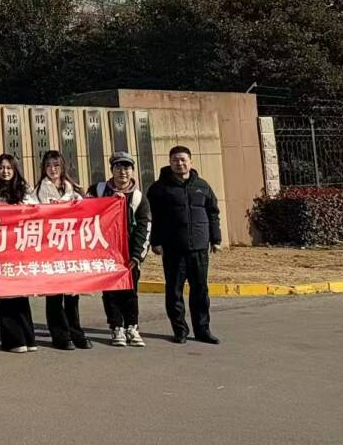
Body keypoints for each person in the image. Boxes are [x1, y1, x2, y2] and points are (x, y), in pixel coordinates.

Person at [147, 145, 222, 345]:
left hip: (199, 248)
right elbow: (154, 217)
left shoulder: (202, 186)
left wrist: (216, 239)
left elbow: (213, 213)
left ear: (190, 162)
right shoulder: (159, 188)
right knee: (174, 292)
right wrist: (155, 242)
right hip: (173, 249)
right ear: (169, 162)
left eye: (183, 160)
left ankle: (202, 330)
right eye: (175, 160)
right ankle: (180, 330)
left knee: (200, 291)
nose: (179, 163)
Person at [0, 154, 39, 353]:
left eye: (9, 168)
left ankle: (28, 338)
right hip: (0, 249)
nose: (5, 171)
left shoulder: (25, 192)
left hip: (20, 248)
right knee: (5, 295)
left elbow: (36, 215)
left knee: (21, 294)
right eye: (1, 168)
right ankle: (13, 340)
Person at [93, 152, 152, 347]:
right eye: (118, 167)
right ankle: (116, 327)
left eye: (126, 167)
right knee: (110, 292)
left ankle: (132, 327)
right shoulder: (99, 191)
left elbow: (144, 227)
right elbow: (84, 213)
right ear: (112, 170)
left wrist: (136, 256)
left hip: (128, 255)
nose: (122, 172)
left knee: (130, 291)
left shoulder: (138, 197)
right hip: (105, 253)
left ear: (132, 171)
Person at [35, 150, 90, 351]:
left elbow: (89, 210)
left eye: (56, 165)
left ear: (62, 167)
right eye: (49, 166)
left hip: (71, 248)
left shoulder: (73, 190)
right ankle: (60, 335)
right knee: (55, 295)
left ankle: (76, 332)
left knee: (72, 295)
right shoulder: (38, 192)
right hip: (50, 249)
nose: (53, 169)